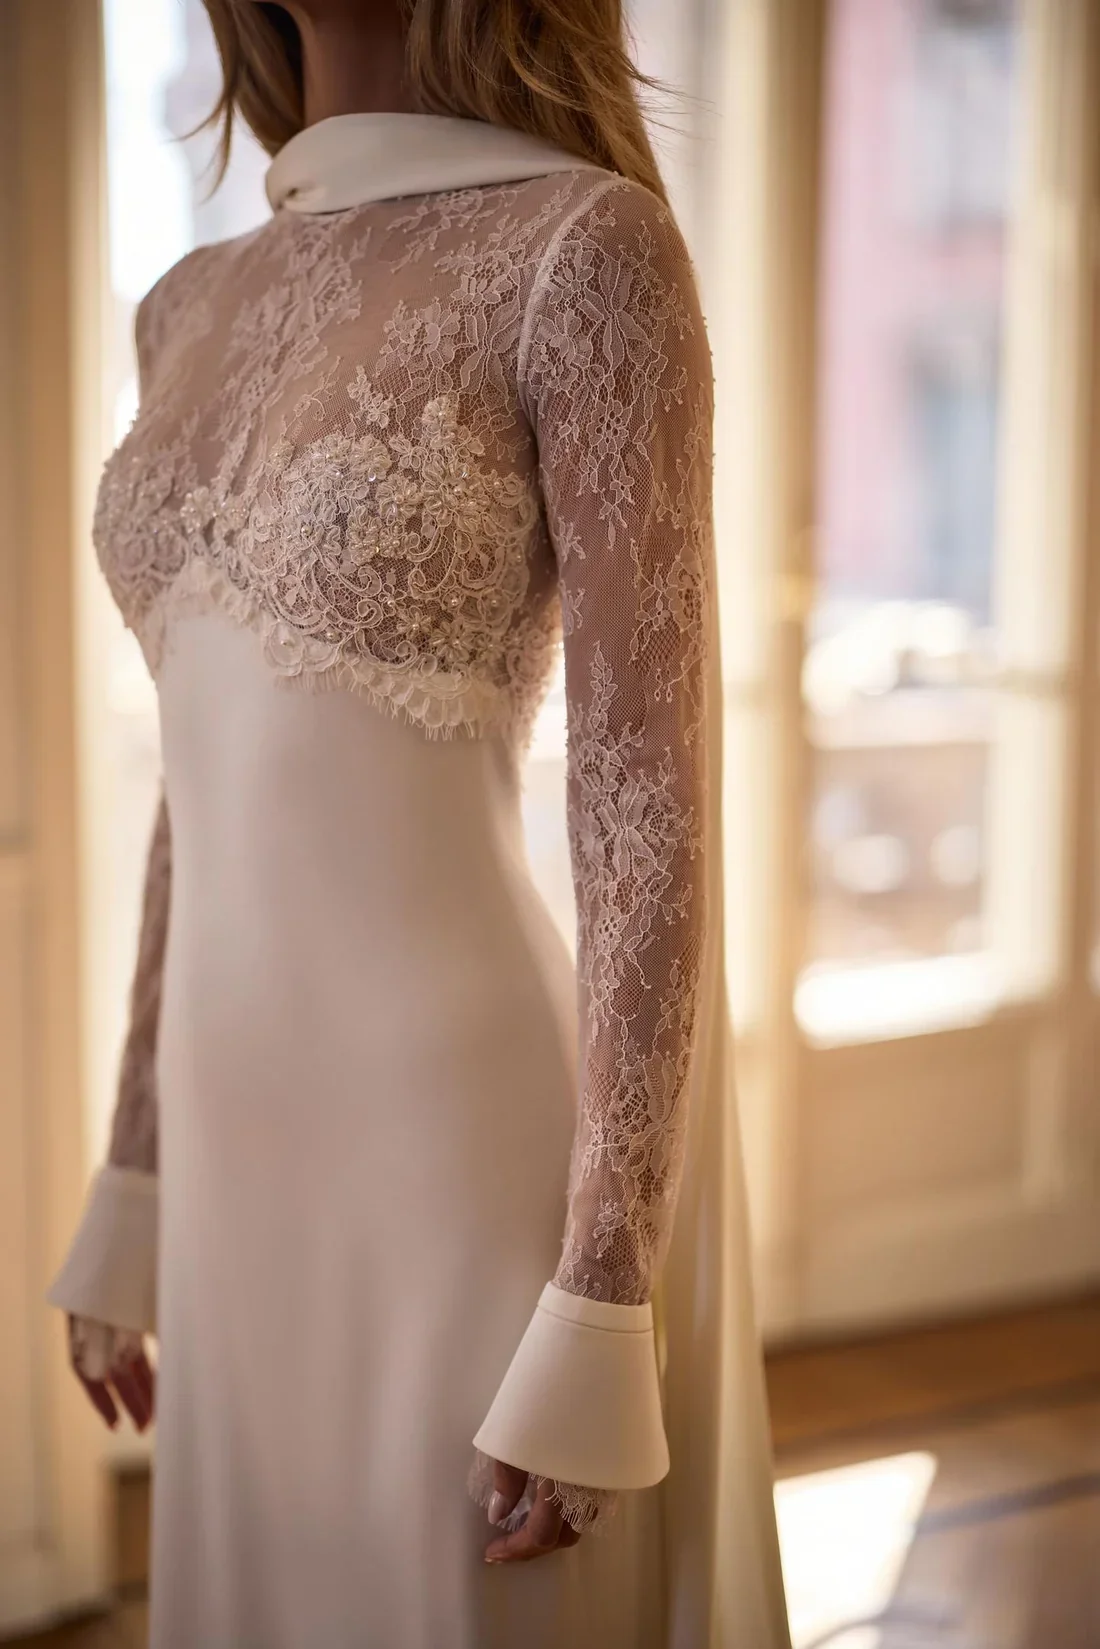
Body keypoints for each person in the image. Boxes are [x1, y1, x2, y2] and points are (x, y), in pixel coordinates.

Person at [45, 1, 791, 1644]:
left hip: (457, 1143)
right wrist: (138, 1171)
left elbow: (645, 793)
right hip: (240, 1159)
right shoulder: (183, 307)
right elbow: (201, 780)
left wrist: (607, 1279)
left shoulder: (585, 250)